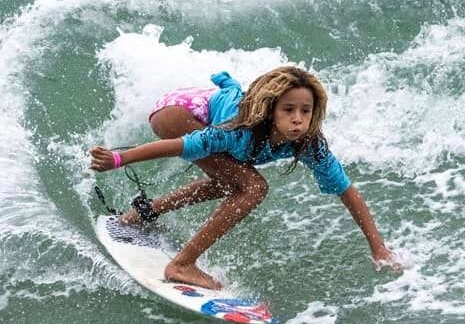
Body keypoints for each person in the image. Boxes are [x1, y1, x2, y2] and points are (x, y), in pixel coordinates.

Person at [90, 66, 402, 290]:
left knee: (234, 183)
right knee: (253, 186)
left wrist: (379, 247)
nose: (297, 118)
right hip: (175, 112)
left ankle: (141, 214)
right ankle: (182, 265)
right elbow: (179, 146)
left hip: (203, 108)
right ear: (269, 111)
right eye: (288, 109)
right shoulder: (239, 129)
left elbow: (346, 191)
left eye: (305, 111)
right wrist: (119, 159)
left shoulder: (309, 144)